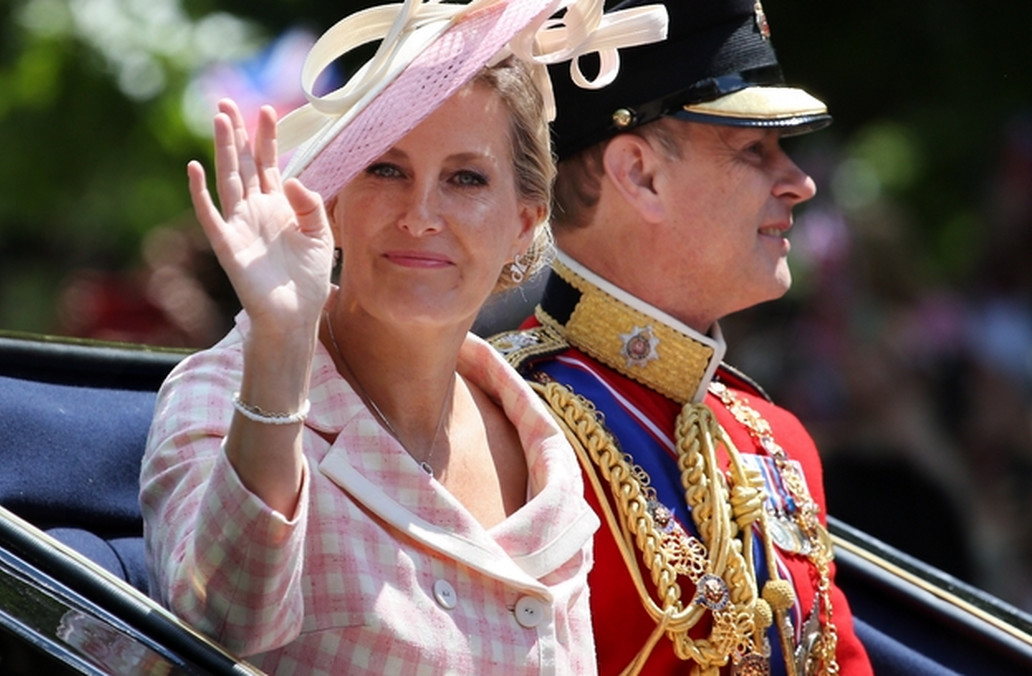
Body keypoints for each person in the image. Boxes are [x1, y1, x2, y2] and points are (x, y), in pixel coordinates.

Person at [139, 1, 669, 673]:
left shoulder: (542, 442)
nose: (420, 216)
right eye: (386, 170)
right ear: (334, 200)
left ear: (524, 222)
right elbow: (216, 630)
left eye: (466, 179)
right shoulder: (218, 391)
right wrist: (281, 340)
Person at [489, 0, 875, 674]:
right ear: (640, 175)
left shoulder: (774, 437)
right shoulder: (501, 422)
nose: (801, 183)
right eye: (755, 150)